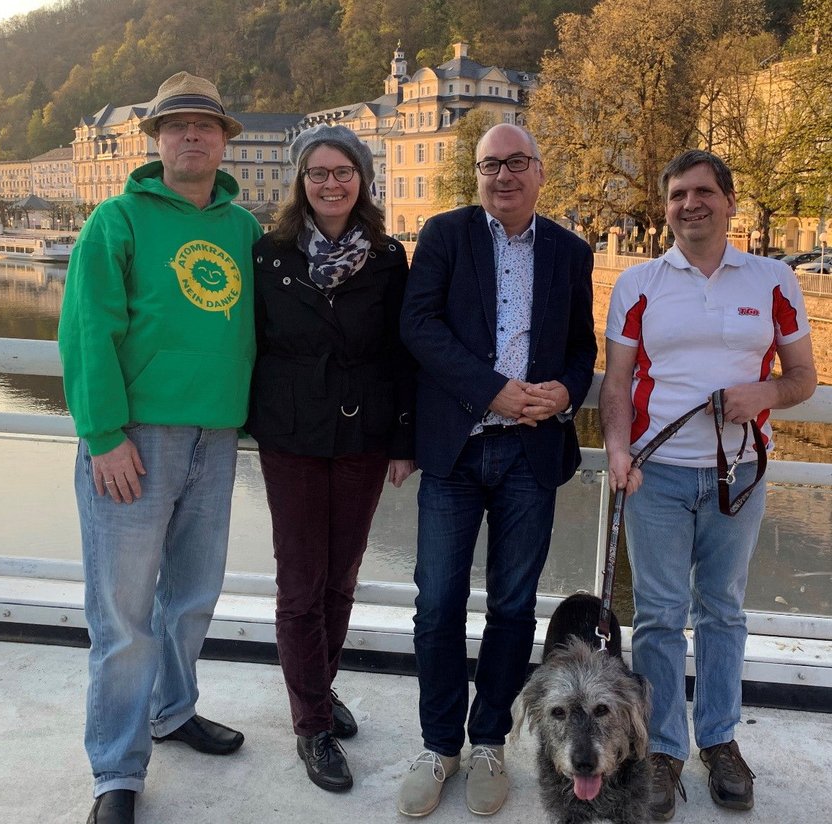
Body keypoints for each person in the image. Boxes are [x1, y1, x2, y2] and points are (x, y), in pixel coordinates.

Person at [58, 72, 261, 824]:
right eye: (176, 126)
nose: (192, 136)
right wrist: (103, 435)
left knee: (193, 600)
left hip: (217, 439)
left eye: (205, 126)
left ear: (223, 140)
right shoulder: (117, 220)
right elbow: (86, 332)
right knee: (123, 618)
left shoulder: (241, 230)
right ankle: (116, 771)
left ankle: (173, 712)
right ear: (156, 140)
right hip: (134, 445)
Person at [599, 149, 816, 821]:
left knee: (722, 609)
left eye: (702, 192)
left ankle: (719, 741)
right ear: (666, 207)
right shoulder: (638, 284)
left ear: (728, 200)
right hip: (656, 473)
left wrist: (768, 392)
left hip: (739, 474)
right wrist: (615, 449)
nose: (689, 204)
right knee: (660, 615)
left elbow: (802, 378)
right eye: (676, 195)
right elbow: (616, 382)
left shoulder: (774, 279)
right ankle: (663, 750)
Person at [397, 123, 597, 818]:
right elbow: (419, 328)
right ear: (477, 175)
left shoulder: (572, 251)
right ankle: (438, 745)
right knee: (438, 604)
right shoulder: (446, 235)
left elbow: (581, 348)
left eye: (516, 163)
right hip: (456, 448)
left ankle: (488, 742)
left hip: (529, 453)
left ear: (541, 173)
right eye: (490, 165)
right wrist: (492, 387)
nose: (503, 175)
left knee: (513, 608)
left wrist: (567, 391)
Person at [245, 124, 416, 792]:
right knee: (300, 580)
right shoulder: (270, 255)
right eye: (317, 173)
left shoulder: (387, 257)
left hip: (363, 434)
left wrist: (403, 439)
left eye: (343, 171)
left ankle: (320, 687)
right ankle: (311, 724)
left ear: (362, 179)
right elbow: (250, 342)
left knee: (341, 575)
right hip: (290, 433)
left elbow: (401, 356)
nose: (331, 183)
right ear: (301, 182)